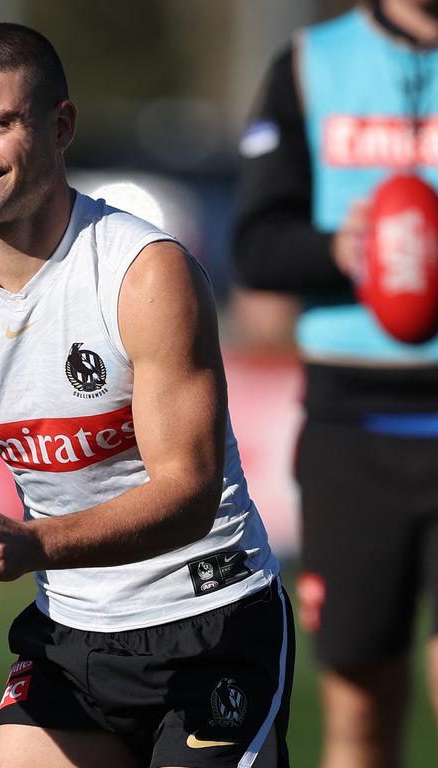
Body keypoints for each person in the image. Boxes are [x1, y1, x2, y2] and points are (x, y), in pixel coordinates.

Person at [0, 22, 294, 768]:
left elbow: (190, 492)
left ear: (60, 126)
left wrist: (33, 544)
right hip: (70, 635)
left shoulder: (145, 274)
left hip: (210, 622)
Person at [233, 1, 438, 766]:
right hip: (352, 428)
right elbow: (255, 243)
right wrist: (343, 249)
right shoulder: (312, 64)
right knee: (359, 702)